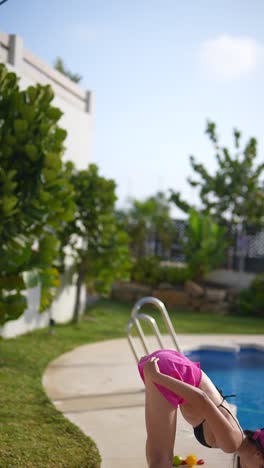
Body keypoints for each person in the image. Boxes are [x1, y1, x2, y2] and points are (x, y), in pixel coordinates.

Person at [138, 349, 264, 468]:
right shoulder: (232, 442)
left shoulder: (235, 435)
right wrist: (158, 376)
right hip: (172, 371)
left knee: (157, 456)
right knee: (161, 460)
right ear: (258, 455)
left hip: (176, 367)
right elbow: (202, 400)